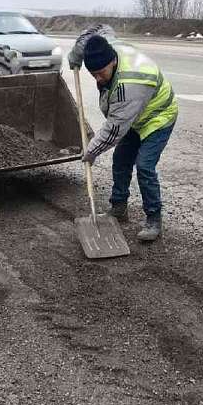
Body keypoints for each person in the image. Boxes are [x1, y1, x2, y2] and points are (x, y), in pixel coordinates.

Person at [68, 25, 178, 242]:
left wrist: (91, 151)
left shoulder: (131, 83)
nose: (98, 79)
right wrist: (76, 55)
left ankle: (154, 219)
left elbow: (114, 130)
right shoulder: (109, 46)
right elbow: (98, 31)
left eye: (101, 73)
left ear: (113, 62)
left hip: (158, 117)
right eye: (93, 74)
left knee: (145, 166)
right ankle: (119, 207)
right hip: (134, 119)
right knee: (120, 160)